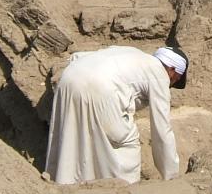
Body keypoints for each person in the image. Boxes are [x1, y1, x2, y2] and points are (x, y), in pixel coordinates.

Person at [44, 45, 188, 185]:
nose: (171, 84)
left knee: (74, 133)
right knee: (126, 142)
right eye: (175, 79)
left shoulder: (132, 53)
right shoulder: (160, 74)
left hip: (69, 77)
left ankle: (65, 181)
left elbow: (78, 56)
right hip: (100, 88)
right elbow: (162, 128)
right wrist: (171, 176)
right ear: (172, 69)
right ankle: (123, 190)